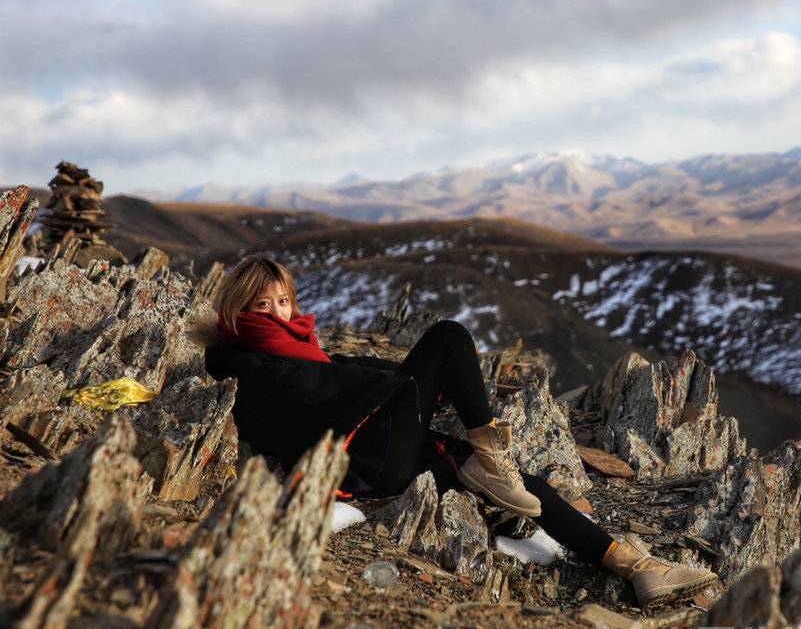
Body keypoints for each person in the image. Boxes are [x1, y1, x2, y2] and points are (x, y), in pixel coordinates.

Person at [195, 255, 718, 607]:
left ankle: (634, 566)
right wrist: (408, 384)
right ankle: (490, 456)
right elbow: (319, 394)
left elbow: (336, 373)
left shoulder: (292, 350)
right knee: (447, 338)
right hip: (362, 464)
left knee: (527, 486)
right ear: (236, 312)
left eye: (282, 301)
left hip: (378, 453)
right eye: (261, 306)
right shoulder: (245, 363)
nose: (277, 313)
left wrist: (406, 384)